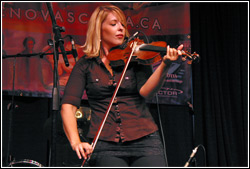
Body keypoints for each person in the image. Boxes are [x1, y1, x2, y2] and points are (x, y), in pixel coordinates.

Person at [60, 5, 183, 167]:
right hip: (105, 144)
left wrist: (164, 65)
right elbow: (68, 106)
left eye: (123, 25)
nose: (121, 29)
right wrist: (76, 142)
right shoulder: (85, 65)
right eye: (113, 24)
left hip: (145, 140)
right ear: (99, 29)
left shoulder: (135, 55)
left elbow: (146, 92)